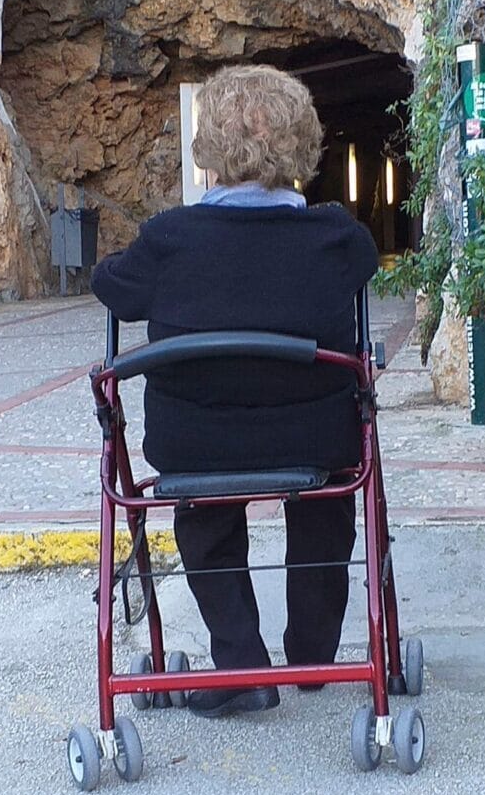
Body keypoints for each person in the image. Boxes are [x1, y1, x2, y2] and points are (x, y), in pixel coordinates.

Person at [92, 65, 378, 718]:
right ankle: (311, 656)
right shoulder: (338, 238)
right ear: (303, 146)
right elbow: (360, 275)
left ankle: (241, 664)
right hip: (315, 438)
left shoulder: (168, 240)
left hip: (197, 443)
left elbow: (114, 288)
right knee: (327, 507)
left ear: (208, 150)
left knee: (206, 511)